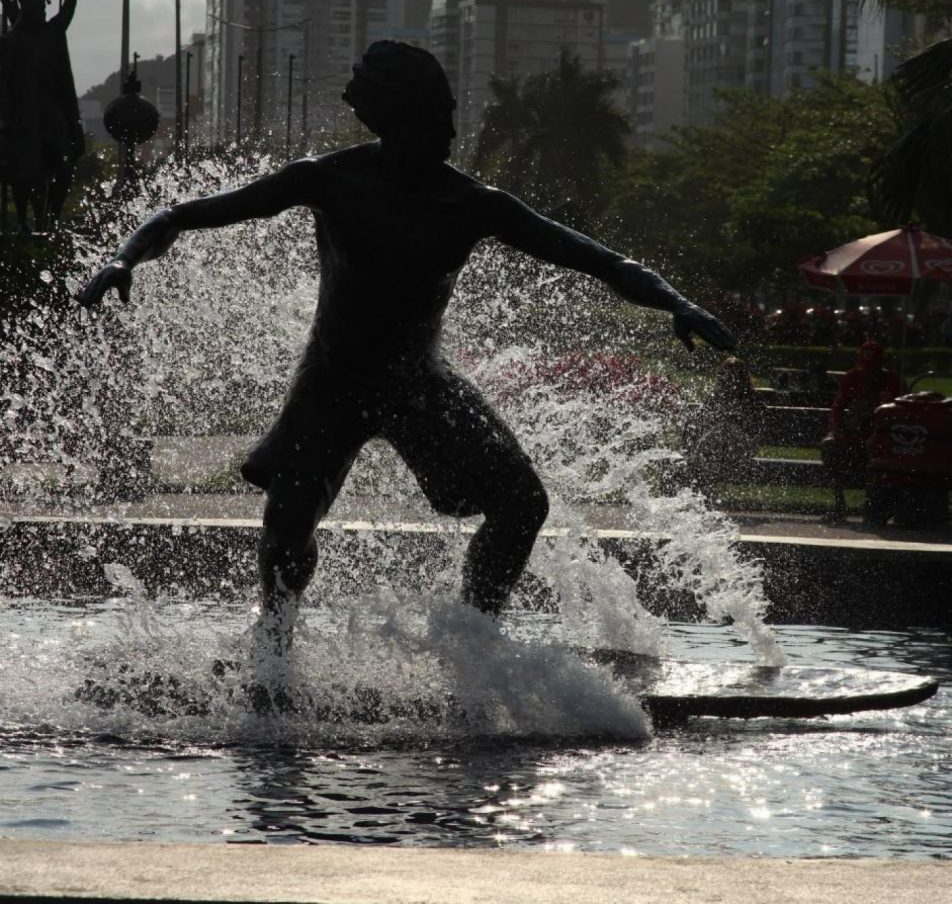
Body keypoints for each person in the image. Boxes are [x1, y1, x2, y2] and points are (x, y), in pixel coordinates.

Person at [77, 41, 736, 649]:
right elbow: (180, 216)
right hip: (332, 381)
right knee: (288, 521)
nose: (449, 132)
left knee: (522, 504)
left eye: (449, 117)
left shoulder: (472, 204)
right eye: (435, 117)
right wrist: (123, 259)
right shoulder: (329, 179)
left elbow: (601, 262)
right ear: (394, 118)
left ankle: (473, 642)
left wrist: (674, 302)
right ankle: (273, 644)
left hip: (418, 384)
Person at [0, 0, 85, 230]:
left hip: (50, 114)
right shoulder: (14, 40)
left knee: (63, 165)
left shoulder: (52, 33)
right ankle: (25, 222)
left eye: (42, 8)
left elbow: (70, 4)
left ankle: (51, 218)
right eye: (35, 8)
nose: (41, 12)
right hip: (23, 117)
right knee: (21, 171)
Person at [820, 340, 904, 522]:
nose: (869, 370)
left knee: (879, 455)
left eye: (873, 364)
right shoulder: (853, 377)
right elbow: (838, 407)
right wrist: (836, 430)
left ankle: (876, 506)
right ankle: (840, 504)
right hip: (853, 433)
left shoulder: (892, 381)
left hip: (882, 436)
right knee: (829, 446)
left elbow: (902, 414)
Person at [682, 356, 765, 495]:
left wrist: (734, 420)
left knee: (725, 427)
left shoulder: (752, 398)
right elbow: (700, 419)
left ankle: (702, 480)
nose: (730, 376)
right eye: (726, 372)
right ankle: (701, 483)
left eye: (734, 372)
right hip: (713, 445)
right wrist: (713, 419)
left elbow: (759, 427)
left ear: (742, 375)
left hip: (739, 447)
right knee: (718, 428)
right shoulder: (716, 396)